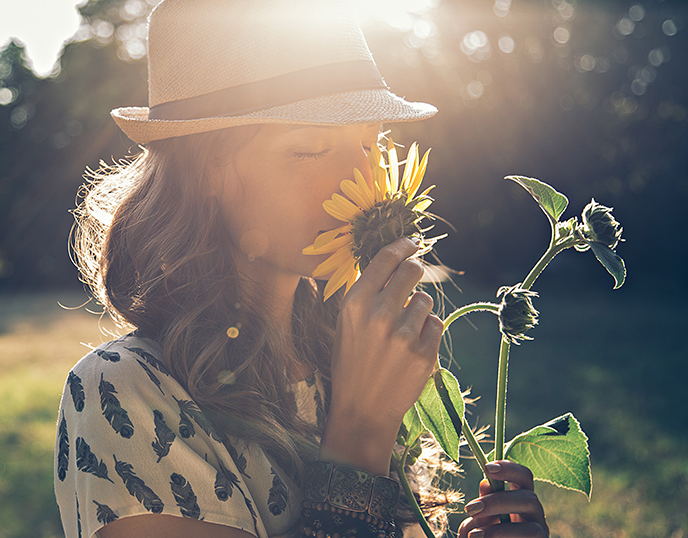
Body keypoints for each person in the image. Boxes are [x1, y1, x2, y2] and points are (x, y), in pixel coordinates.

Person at [54, 1, 550, 537]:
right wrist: (362, 429)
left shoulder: (340, 357)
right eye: (311, 149)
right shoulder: (125, 391)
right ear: (206, 171)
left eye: (371, 143)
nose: (362, 179)